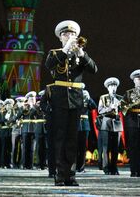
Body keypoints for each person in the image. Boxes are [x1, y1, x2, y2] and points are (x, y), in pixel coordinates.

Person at [45, 20, 98, 186]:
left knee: (72, 139)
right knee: (60, 138)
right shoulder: (54, 53)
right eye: (66, 34)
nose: (70, 37)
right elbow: (49, 65)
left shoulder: (79, 55)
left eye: (73, 34)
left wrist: (82, 54)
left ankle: (71, 175)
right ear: (61, 37)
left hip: (75, 100)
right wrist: (66, 49)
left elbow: (94, 69)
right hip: (59, 99)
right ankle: (60, 175)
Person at [97, 77, 124, 175]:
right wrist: (109, 108)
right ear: (108, 88)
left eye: (114, 86)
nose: (113, 88)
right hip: (106, 121)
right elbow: (100, 110)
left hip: (116, 122)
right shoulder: (103, 97)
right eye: (111, 86)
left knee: (115, 147)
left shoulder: (120, 98)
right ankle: (106, 168)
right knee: (106, 147)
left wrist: (120, 106)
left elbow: (124, 111)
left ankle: (114, 167)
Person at [76, 89, 97, 173]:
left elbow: (94, 107)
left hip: (85, 125)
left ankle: (81, 167)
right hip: (76, 125)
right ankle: (74, 166)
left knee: (83, 147)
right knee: (75, 147)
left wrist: (89, 98)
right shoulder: (75, 99)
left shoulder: (86, 100)